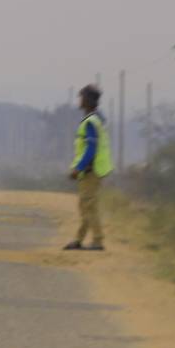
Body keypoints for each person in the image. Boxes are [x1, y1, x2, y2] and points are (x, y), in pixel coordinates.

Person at [63, 84, 114, 251]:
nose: (80, 100)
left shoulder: (91, 121)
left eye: (82, 97)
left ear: (89, 100)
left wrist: (79, 167)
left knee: (88, 205)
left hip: (90, 171)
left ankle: (98, 240)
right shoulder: (95, 118)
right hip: (93, 170)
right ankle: (79, 239)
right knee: (86, 205)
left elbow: (91, 148)